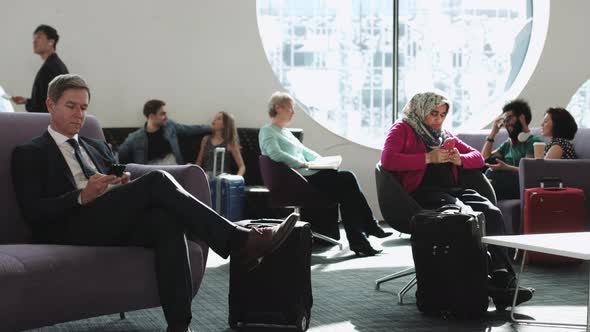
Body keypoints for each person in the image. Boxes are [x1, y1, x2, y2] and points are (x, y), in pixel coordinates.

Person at [11, 74, 299, 332]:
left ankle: (179, 325)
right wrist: (81, 196)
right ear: (50, 105)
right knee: (157, 180)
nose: (79, 115)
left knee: (166, 221)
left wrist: (120, 182)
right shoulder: (30, 152)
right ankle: (238, 240)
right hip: (67, 227)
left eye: (84, 108)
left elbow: (115, 176)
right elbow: (34, 212)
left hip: (107, 219)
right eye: (70, 106)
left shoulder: (94, 146)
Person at [380, 91, 534, 310]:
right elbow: (387, 160)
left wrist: (459, 159)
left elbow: (478, 157)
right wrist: (427, 158)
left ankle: (501, 275)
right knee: (465, 216)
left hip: (452, 189)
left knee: (491, 212)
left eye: (442, 114)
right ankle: (488, 281)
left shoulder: (442, 134)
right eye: (433, 113)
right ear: (420, 110)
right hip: (419, 194)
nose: (438, 119)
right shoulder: (402, 129)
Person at [259, 91, 392, 256]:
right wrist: (302, 163)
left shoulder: (285, 132)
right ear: (278, 108)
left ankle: (362, 240)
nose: (293, 113)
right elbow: (275, 155)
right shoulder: (267, 131)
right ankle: (368, 230)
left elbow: (306, 152)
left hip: (307, 175)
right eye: (290, 109)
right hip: (298, 180)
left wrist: (323, 162)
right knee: (348, 179)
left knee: (347, 193)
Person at [482, 100, 543, 200]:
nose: (506, 123)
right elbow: (484, 157)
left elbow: (530, 171)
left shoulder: (533, 142)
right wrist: (493, 133)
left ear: (522, 118)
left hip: (520, 184)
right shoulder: (508, 143)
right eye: (505, 120)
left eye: (509, 118)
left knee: (490, 173)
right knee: (484, 164)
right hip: (504, 180)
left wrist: (506, 168)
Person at [118, 99, 211, 165]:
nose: (166, 117)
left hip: (173, 168)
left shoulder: (170, 126)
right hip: (150, 173)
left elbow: (190, 129)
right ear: (151, 116)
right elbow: (121, 154)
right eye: (162, 114)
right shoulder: (136, 137)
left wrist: (211, 128)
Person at [11, 24, 69, 113]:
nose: (34, 41)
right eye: (34, 38)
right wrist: (26, 101)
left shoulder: (50, 68)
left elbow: (47, 105)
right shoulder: (54, 65)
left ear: (51, 42)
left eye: (39, 37)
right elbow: (44, 99)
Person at [196, 111, 245, 177]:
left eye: (218, 119)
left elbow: (242, 167)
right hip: (206, 176)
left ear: (225, 124)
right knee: (205, 176)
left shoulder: (230, 143)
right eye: (214, 118)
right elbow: (199, 162)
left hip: (222, 177)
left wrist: (237, 178)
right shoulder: (206, 139)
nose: (214, 120)